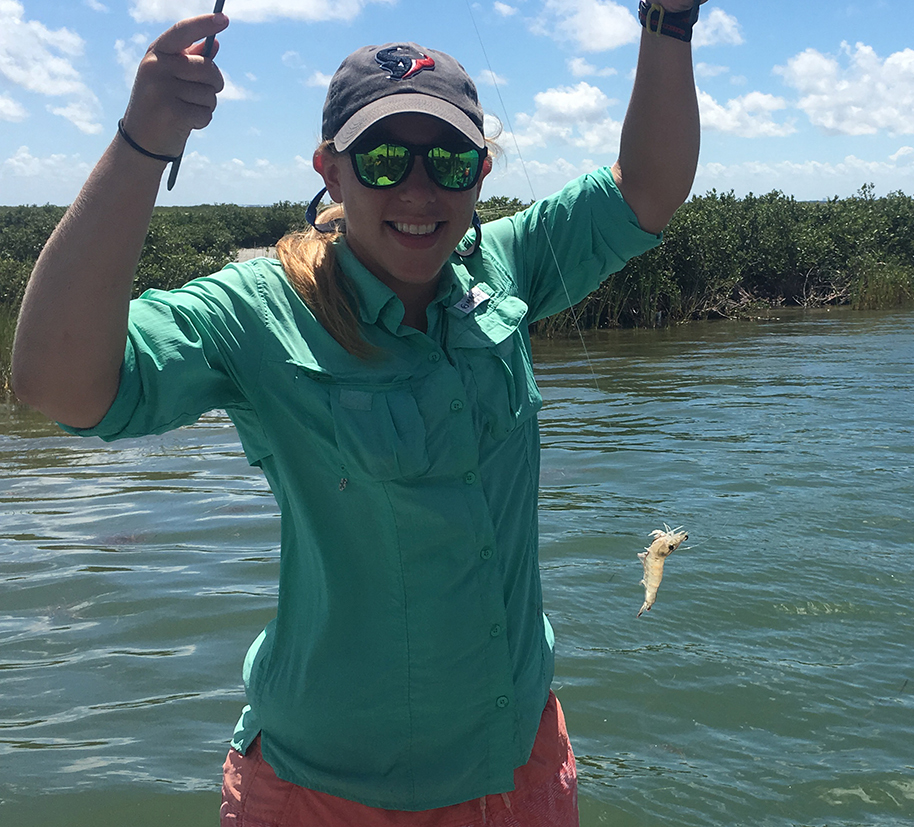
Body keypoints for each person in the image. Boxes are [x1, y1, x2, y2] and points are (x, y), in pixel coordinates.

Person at [11, 2, 703, 823]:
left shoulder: (507, 269)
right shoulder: (258, 311)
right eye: (381, 159)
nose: (417, 187)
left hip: (517, 765)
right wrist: (142, 143)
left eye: (448, 159)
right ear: (330, 171)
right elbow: (58, 384)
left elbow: (649, 189)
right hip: (327, 791)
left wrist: (669, 19)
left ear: (481, 173)